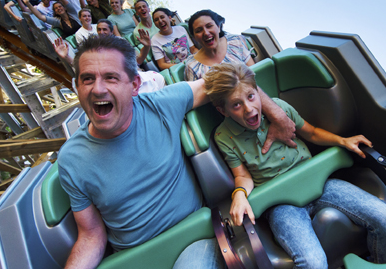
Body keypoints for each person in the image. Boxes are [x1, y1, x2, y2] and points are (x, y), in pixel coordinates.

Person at [57, 35, 298, 269]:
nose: (98, 89)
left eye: (110, 78)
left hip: (190, 239)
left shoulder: (161, 106)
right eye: (87, 79)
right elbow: (91, 235)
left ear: (134, 85)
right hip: (133, 258)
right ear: (77, 86)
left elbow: (233, 80)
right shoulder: (71, 159)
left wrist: (277, 114)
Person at [203, 63, 386, 268]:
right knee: (313, 264)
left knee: (385, 218)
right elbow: (242, 176)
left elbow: (311, 132)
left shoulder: (279, 108)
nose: (249, 108)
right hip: (281, 203)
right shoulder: (223, 136)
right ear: (222, 111)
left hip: (318, 183)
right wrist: (240, 194)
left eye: (251, 96)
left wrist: (342, 141)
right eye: (236, 105)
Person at [183, 9, 254, 81]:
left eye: (209, 26)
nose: (206, 33)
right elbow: (196, 92)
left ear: (218, 27)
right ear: (194, 37)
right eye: (199, 30)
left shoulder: (236, 42)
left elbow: (254, 72)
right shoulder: (192, 65)